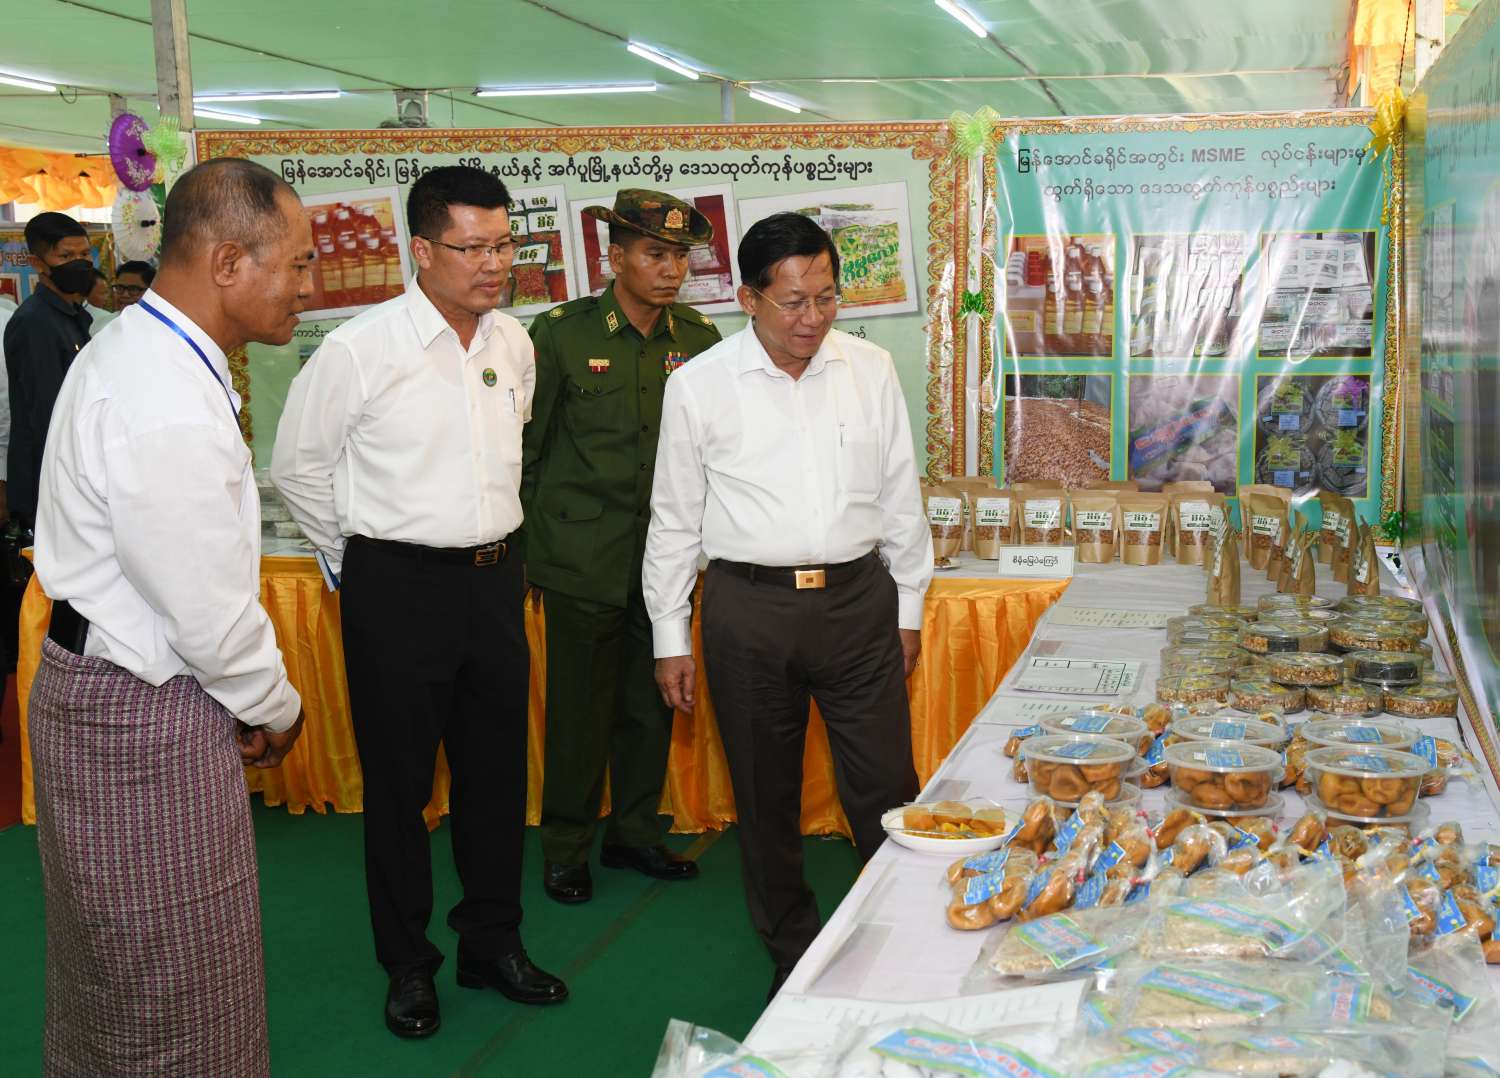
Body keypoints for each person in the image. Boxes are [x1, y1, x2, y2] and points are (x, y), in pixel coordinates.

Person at [29, 158, 310, 1076]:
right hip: (138, 714)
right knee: (171, 987)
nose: (307, 287)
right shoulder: (163, 396)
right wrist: (273, 703)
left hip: (119, 694)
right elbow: (203, 606)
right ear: (228, 263)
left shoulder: (147, 353)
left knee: (125, 973)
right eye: (296, 265)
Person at [273, 164, 566, 1041]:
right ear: (422, 250)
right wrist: (356, 562)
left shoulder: (514, 343)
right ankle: (408, 964)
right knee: (400, 789)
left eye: (504, 244)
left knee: (495, 776)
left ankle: (492, 943)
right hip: (396, 588)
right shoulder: (359, 349)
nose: (494, 264)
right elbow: (299, 467)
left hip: (494, 581)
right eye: (472, 248)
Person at [643, 212, 933, 1001]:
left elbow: (900, 493)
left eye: (827, 297)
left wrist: (908, 607)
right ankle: (791, 951)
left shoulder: (869, 369)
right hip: (749, 610)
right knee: (764, 796)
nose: (813, 318)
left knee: (886, 788)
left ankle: (903, 939)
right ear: (748, 299)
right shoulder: (699, 385)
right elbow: (674, 517)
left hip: (858, 605)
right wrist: (670, 634)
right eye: (794, 302)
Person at [523, 189, 720, 905]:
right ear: (616, 258)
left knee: (650, 706)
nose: (671, 270)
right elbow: (527, 450)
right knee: (578, 714)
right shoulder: (561, 335)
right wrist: (528, 554)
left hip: (665, 563)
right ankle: (566, 846)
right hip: (581, 561)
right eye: (655, 254)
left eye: (680, 258)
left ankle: (634, 833)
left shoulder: (698, 341)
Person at [4, 211, 93, 530]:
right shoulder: (35, 323)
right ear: (37, 263)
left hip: (72, 479)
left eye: (85, 254)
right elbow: (48, 415)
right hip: (51, 486)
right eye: (66, 256)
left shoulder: (71, 315)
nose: (79, 263)